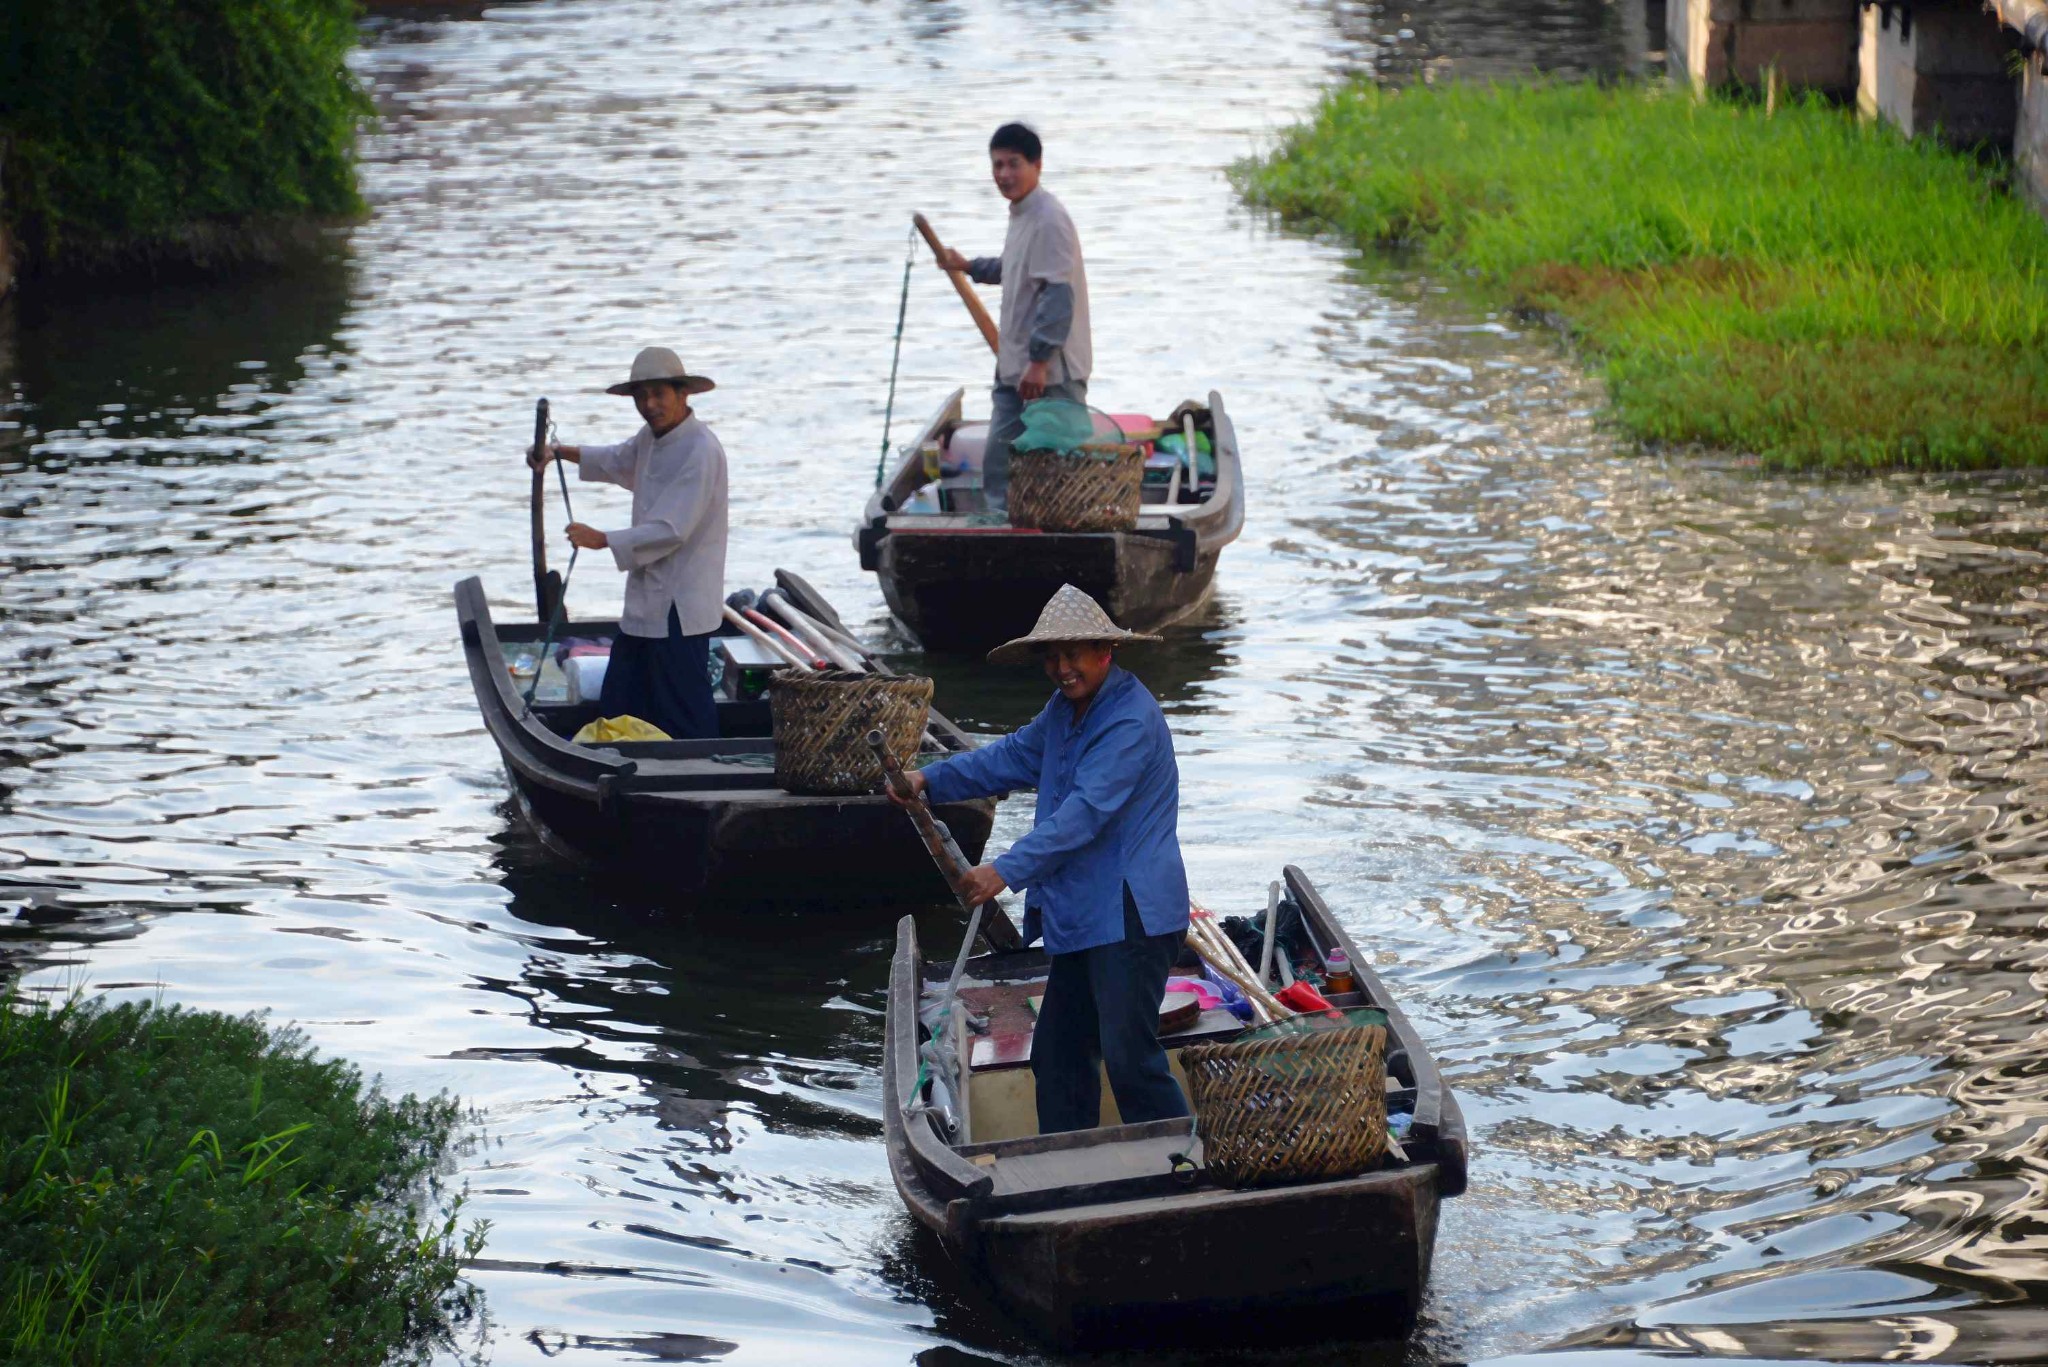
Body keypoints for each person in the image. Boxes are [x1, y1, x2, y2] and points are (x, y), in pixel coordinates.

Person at [888, 585, 1190, 1134]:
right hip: (1080, 916)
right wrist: (928, 778)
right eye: (1052, 656)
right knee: (1058, 1056)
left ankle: (1181, 1168)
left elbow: (1085, 813)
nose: (1062, 667)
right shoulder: (1064, 710)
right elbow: (1010, 757)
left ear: (1106, 652)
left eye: (1074, 654)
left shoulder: (1129, 721)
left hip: (1129, 917)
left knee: (1131, 1061)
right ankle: (1066, 1162)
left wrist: (1003, 870)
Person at [528, 346, 729, 740]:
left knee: (683, 708)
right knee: (622, 697)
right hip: (646, 597)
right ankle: (620, 767)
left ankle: (702, 777)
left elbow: (672, 529)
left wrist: (602, 539)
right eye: (642, 396)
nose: (650, 405)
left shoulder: (701, 450)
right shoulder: (651, 438)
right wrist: (556, 452)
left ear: (682, 393)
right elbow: (617, 460)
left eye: (658, 394)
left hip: (681, 606)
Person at [932, 122, 1092, 514]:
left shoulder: (1050, 219)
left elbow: (1058, 297)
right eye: (997, 165)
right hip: (1014, 367)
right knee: (1000, 464)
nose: (1004, 175)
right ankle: (1002, 537)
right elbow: (1014, 268)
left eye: (1013, 164)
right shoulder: (1021, 214)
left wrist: (1038, 363)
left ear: (1037, 165)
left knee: (1058, 469)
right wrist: (967, 265)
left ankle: (1062, 550)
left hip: (1050, 374)